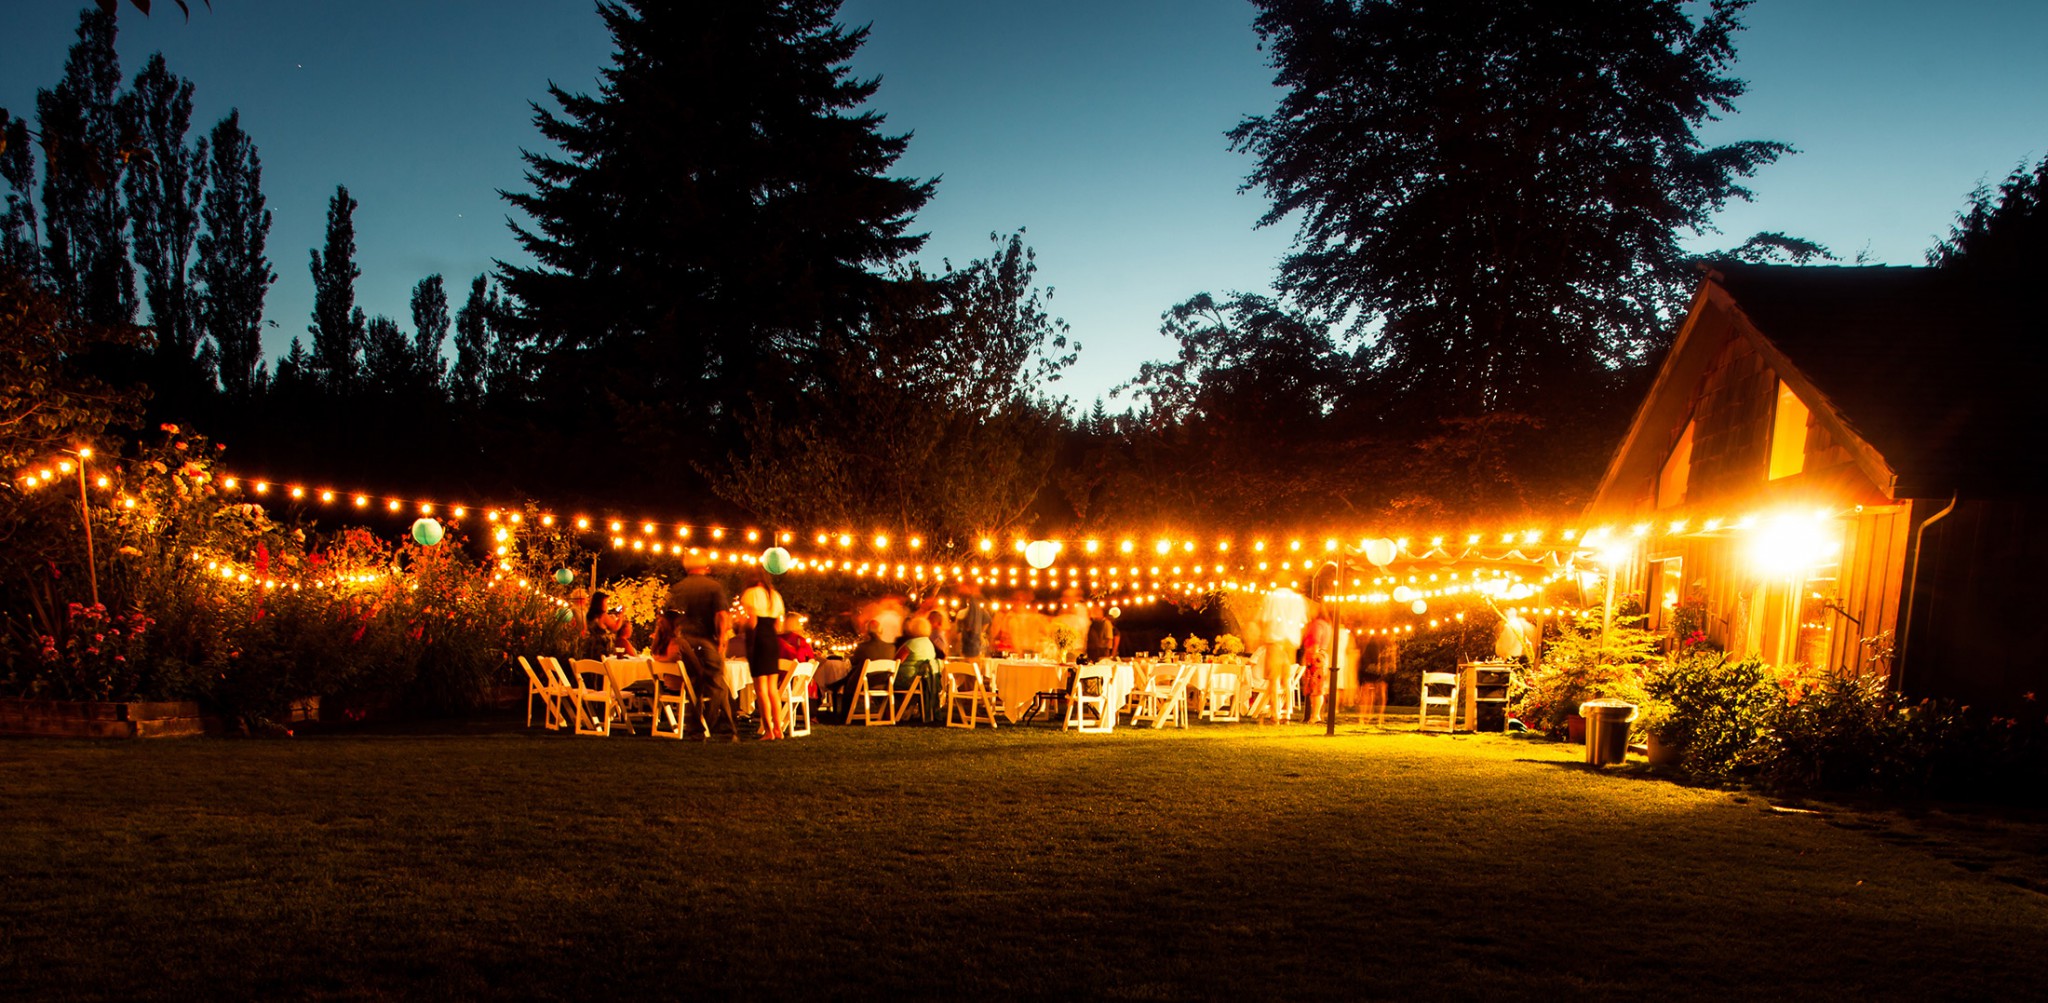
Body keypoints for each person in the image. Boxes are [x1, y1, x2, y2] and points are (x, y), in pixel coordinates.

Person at [665, 562, 739, 741]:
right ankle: (709, 728)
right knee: (716, 684)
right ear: (705, 567)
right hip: (706, 642)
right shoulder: (713, 587)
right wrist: (722, 640)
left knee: (697, 685)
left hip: (686, 642)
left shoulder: (679, 588)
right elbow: (722, 615)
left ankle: (721, 730)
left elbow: (669, 615)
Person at [739, 568, 788, 740]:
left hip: (758, 640)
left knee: (761, 689)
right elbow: (778, 626)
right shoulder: (775, 595)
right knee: (772, 689)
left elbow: (751, 622)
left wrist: (741, 626)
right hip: (772, 641)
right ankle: (779, 728)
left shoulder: (750, 594)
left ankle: (768, 730)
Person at [1255, 581, 1308, 725]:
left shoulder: (1271, 597)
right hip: (1290, 643)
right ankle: (1287, 713)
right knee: (1287, 680)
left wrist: (1262, 638)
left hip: (1275, 641)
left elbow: (1262, 619)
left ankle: (1275, 714)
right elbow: (1303, 623)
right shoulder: (1298, 600)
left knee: (1274, 680)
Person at [844, 619, 897, 721]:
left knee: (849, 682)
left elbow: (854, 662)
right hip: (885, 681)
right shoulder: (891, 648)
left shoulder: (862, 647)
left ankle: (845, 715)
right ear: (881, 631)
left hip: (865, 682)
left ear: (867, 632)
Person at [895, 616, 941, 722]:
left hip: (907, 679)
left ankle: (895, 711)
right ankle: (906, 710)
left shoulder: (911, 643)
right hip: (922, 680)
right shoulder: (929, 644)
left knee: (883, 684)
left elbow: (897, 660)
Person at [584, 591, 636, 658]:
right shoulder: (603, 616)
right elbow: (615, 627)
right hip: (601, 647)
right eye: (606, 602)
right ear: (600, 603)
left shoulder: (589, 615)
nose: (607, 605)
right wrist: (621, 614)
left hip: (590, 647)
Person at [1301, 613, 1332, 724]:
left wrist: (1311, 656)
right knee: (1318, 688)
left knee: (1315, 688)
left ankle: (1315, 715)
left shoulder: (1317, 625)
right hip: (1322, 655)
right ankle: (1315, 715)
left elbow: (1315, 640)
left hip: (1316, 658)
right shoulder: (1327, 625)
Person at [959, 588, 992, 658]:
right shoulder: (963, 612)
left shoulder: (978, 611)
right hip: (970, 640)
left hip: (971, 640)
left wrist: (981, 631)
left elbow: (987, 621)